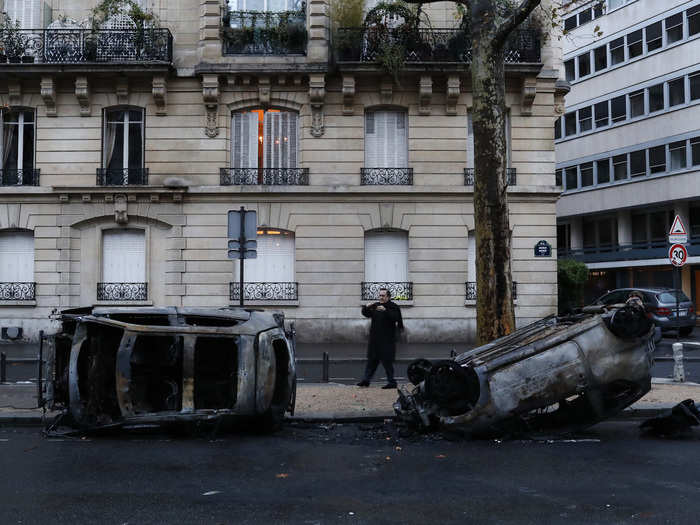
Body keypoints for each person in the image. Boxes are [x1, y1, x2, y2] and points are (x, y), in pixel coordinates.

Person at [357, 287, 403, 389]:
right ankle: (366, 380)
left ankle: (392, 382)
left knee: (387, 363)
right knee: (371, 361)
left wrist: (385, 310)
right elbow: (366, 314)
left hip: (387, 340)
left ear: (388, 297)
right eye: (380, 295)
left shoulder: (393, 306)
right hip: (375, 340)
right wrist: (366, 307)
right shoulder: (376, 306)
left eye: (383, 296)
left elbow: (396, 318)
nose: (381, 297)